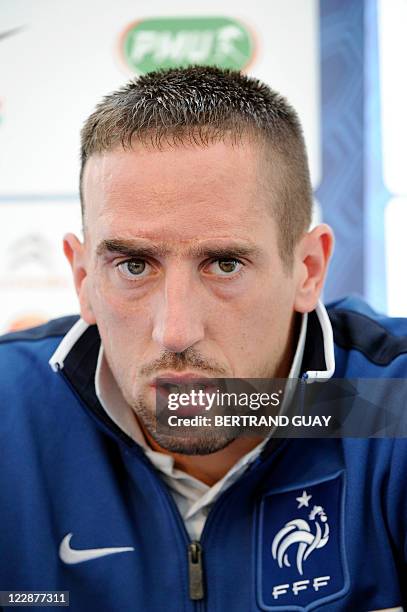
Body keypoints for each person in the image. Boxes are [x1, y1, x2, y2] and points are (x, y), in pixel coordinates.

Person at [0, 66, 406, 612]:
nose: (175, 331)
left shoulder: (388, 406)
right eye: (134, 265)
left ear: (308, 269)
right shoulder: (10, 416)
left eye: (225, 263)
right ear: (84, 279)